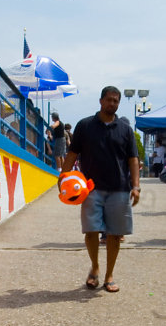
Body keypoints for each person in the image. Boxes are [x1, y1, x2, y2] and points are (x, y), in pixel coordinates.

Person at [58, 86, 140, 293]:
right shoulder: (85, 126)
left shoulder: (125, 129)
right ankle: (94, 267)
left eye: (116, 101)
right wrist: (63, 177)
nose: (112, 104)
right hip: (90, 189)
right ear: (101, 101)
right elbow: (72, 154)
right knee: (91, 230)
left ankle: (109, 274)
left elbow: (133, 159)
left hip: (119, 189)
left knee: (115, 233)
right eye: (109, 100)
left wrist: (136, 186)